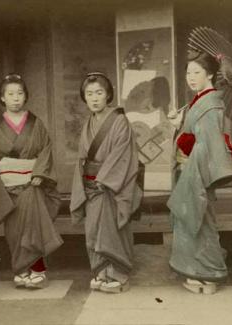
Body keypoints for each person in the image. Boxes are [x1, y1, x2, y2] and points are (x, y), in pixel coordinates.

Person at [0, 74, 62, 289]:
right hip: (6, 188)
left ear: (26, 96)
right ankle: (21, 270)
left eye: (20, 93)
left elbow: (46, 151)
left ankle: (39, 269)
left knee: (33, 226)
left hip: (32, 184)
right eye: (10, 94)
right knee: (14, 231)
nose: (16, 98)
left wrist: (39, 174)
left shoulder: (36, 124)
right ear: (2, 98)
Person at [167, 51, 232, 294]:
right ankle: (200, 274)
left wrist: (184, 137)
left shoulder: (210, 104)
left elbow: (207, 144)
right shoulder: (198, 100)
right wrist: (180, 124)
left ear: (210, 74)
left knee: (201, 221)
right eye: (188, 72)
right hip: (191, 168)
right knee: (194, 221)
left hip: (197, 169)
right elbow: (194, 135)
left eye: (197, 72)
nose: (191, 77)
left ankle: (211, 274)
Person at [70, 72, 143, 293]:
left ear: (108, 94)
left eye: (99, 93)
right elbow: (83, 158)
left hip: (112, 185)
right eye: (89, 93)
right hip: (91, 186)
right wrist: (84, 182)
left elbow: (123, 154)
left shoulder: (120, 121)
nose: (94, 98)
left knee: (111, 229)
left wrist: (105, 179)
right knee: (94, 229)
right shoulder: (88, 123)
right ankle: (101, 271)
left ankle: (118, 274)